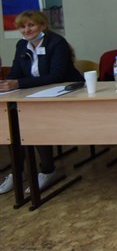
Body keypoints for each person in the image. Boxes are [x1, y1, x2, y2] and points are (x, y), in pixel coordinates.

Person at [0, 10, 83, 194]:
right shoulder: (21, 45)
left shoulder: (56, 42)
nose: (27, 30)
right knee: (13, 123)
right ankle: (16, 173)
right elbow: (15, 72)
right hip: (34, 94)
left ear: (42, 25)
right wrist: (6, 84)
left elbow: (55, 76)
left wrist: (19, 83)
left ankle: (47, 170)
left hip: (65, 92)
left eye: (31, 25)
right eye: (23, 27)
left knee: (32, 122)